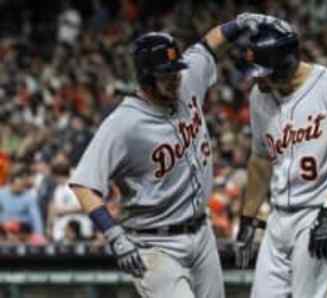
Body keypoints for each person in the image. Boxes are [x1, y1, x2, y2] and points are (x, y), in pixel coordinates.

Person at [69, 18, 257, 298]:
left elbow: (208, 46)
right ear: (146, 77)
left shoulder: (186, 81)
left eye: (175, 70)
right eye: (165, 74)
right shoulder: (124, 124)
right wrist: (114, 236)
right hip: (154, 243)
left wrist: (240, 23)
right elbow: (84, 185)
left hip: (201, 232)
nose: (176, 77)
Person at [234, 14, 327, 298]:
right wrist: (248, 218)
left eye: (262, 71)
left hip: (320, 214)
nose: (256, 79)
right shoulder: (260, 97)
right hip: (278, 219)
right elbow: (261, 159)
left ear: (284, 65)